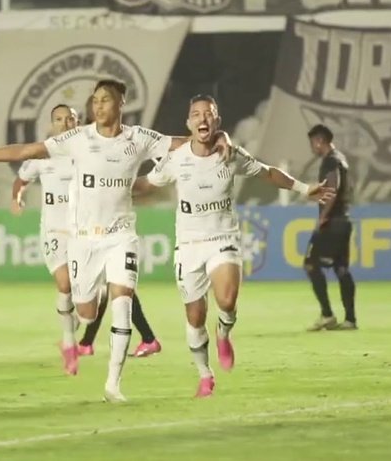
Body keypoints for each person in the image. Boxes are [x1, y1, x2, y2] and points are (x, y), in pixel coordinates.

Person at [0, 79, 229, 402]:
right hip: (83, 241)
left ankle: (113, 384)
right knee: (87, 312)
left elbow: (184, 143)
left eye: (106, 100)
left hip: (121, 237)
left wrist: (220, 136)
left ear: (121, 103)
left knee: (122, 303)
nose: (99, 105)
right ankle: (77, 329)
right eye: (95, 100)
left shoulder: (139, 139)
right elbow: (26, 151)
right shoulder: (79, 139)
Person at [134, 95, 333, 397]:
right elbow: (147, 184)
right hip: (188, 246)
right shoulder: (176, 159)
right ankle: (204, 374)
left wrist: (304, 188)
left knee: (226, 301)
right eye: (196, 114)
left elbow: (267, 172)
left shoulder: (230, 154)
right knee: (195, 317)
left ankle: (224, 331)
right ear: (188, 123)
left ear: (216, 121)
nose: (202, 119)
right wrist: (109, 189)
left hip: (223, 239)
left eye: (208, 114)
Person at [75, 95, 162, 359]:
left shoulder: (109, 146)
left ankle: (91, 342)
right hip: (87, 226)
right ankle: (91, 342)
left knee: (115, 287)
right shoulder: (82, 145)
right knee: (109, 288)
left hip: (108, 230)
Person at [10, 104, 82, 374]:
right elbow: (21, 180)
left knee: (90, 298)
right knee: (64, 285)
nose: (65, 124)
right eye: (59, 119)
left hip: (84, 230)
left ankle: (72, 322)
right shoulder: (42, 154)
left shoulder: (88, 153)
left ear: (78, 122)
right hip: (54, 229)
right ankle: (68, 344)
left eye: (70, 119)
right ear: (51, 124)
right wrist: (16, 198)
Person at [304, 125, 358, 331]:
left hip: (333, 223)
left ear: (319, 140)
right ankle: (350, 319)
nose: (312, 147)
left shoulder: (331, 160)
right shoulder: (341, 158)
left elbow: (332, 190)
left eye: (312, 143)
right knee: (341, 268)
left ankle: (327, 315)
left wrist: (323, 218)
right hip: (343, 220)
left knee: (311, 264)